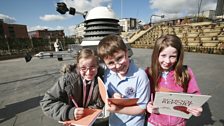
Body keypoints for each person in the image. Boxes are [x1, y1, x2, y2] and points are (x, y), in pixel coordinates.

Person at [145, 34, 203, 126]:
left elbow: (195, 95)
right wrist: (147, 106)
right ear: (156, 55)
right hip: (155, 122)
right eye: (163, 55)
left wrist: (197, 108)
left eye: (172, 56)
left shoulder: (186, 72)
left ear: (178, 56)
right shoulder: (148, 73)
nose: (167, 61)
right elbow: (143, 98)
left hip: (178, 123)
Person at [40, 48, 105, 125]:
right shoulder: (67, 80)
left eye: (92, 67)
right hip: (71, 122)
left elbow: (100, 102)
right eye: (83, 68)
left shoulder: (102, 80)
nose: (88, 72)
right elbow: (47, 103)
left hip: (91, 121)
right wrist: (69, 112)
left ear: (98, 65)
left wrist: (89, 110)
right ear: (78, 66)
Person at [97, 34, 150, 126]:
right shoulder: (108, 74)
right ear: (105, 63)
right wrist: (113, 96)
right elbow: (106, 95)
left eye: (119, 58)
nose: (117, 66)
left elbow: (142, 108)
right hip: (114, 122)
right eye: (111, 63)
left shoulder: (140, 76)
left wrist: (118, 109)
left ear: (126, 52)